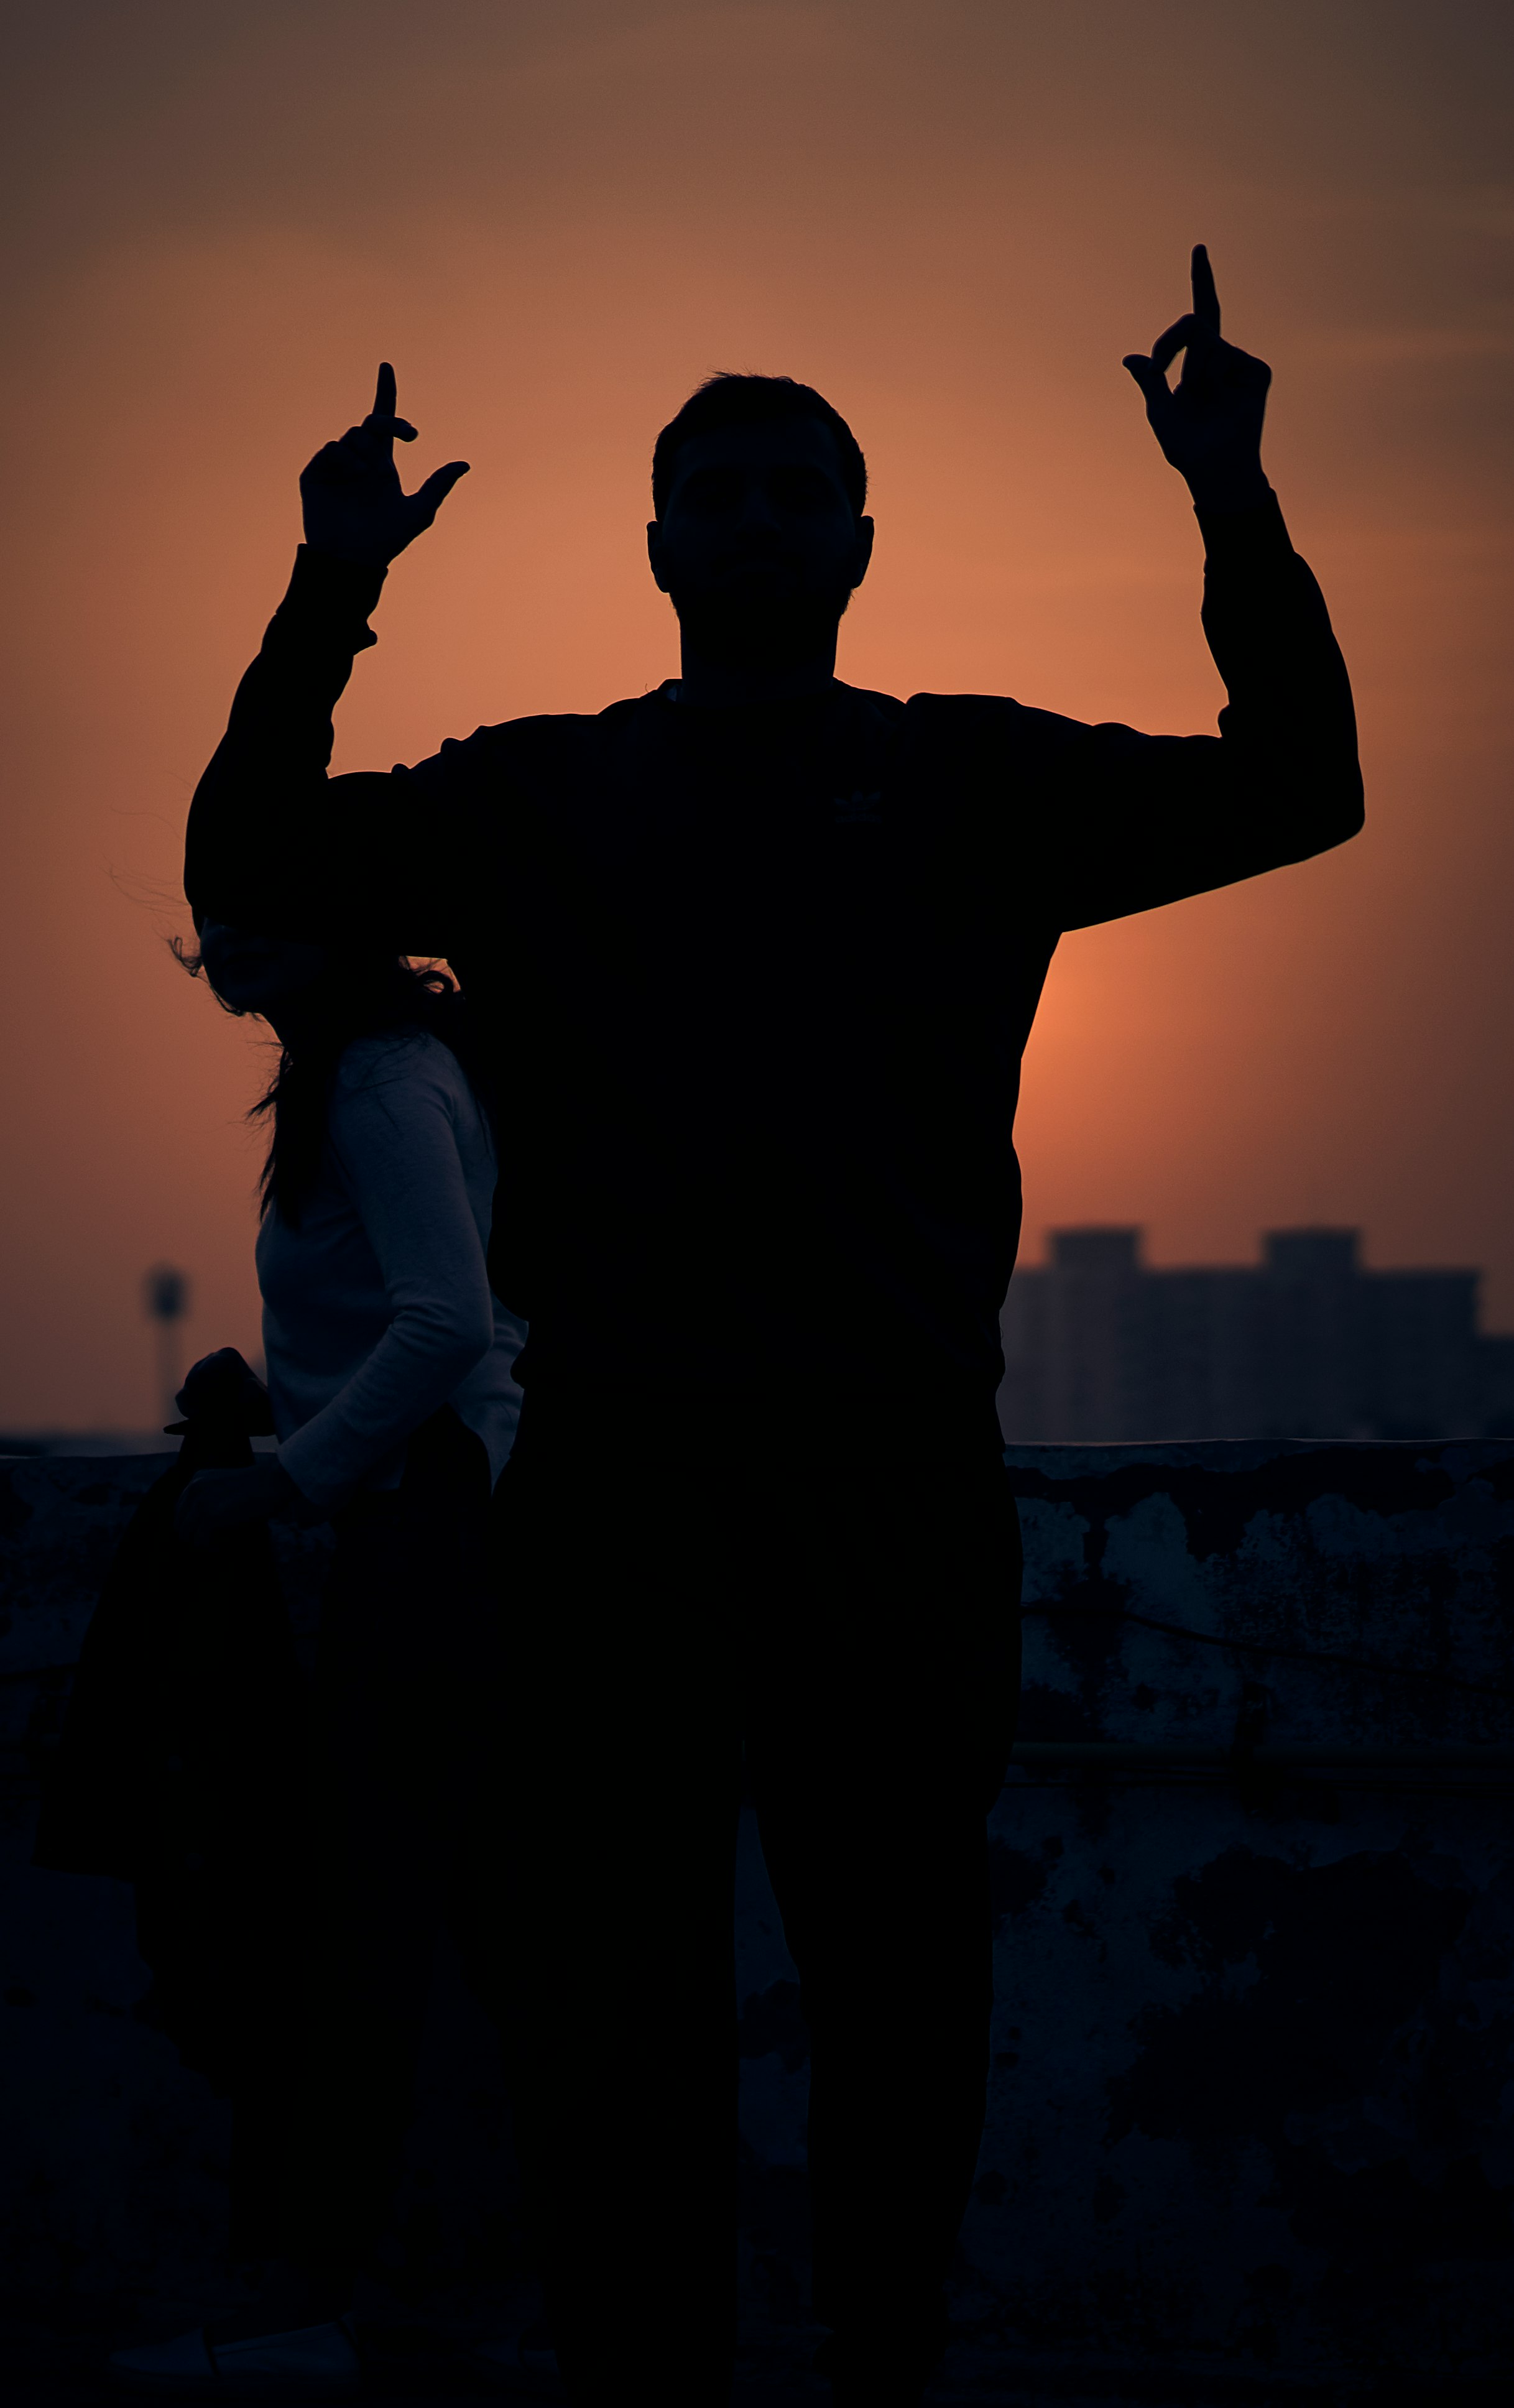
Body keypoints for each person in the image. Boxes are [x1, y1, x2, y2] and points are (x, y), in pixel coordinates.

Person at [183, 247, 1364, 2408]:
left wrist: (1230, 491)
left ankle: (872, 2364)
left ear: (850, 545)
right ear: (656, 548)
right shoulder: (536, 796)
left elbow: (1298, 782)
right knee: (613, 1995)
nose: (740, 523)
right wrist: (325, 577)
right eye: (705, 494)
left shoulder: (966, 782)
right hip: (623, 1478)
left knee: (894, 1975)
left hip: (885, 1471)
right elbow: (246, 844)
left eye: (778, 492)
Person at [110, 929, 525, 2392]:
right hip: (423, 1524)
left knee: (366, 1926)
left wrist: (286, 1482)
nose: (216, 943)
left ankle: (308, 2304)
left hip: (429, 1538)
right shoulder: (365, 1072)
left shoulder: (381, 1082)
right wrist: (280, 1407)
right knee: (455, 1922)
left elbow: (451, 1321)